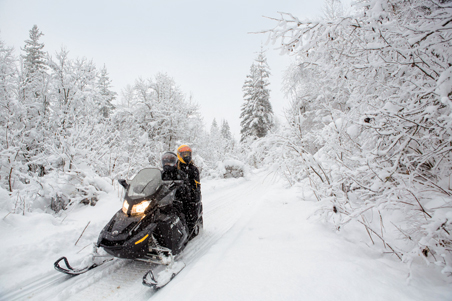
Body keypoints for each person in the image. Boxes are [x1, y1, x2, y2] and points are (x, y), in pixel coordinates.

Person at [176, 145, 203, 238]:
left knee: (190, 212)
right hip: (176, 194)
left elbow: (196, 184)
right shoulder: (176, 167)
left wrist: (194, 195)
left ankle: (190, 229)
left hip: (190, 196)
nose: (186, 156)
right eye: (184, 154)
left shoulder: (193, 169)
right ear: (179, 155)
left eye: (188, 154)